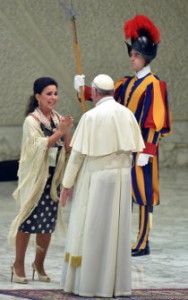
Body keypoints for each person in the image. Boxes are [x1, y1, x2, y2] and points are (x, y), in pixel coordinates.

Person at [74, 15, 172, 257]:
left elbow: (155, 121)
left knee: (144, 195)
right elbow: (105, 97)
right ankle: (122, 239)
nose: (132, 58)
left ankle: (143, 240)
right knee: (124, 193)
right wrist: (83, 88)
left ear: (146, 57)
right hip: (123, 148)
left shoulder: (154, 85)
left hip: (142, 150)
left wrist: (148, 151)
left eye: (136, 55)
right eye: (132, 54)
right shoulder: (126, 83)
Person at [59, 74, 144, 297]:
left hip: (96, 178)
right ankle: (115, 286)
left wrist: (67, 184)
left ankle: (88, 285)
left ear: (95, 93)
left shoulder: (91, 116)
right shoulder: (127, 114)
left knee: (92, 230)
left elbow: (77, 155)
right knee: (115, 231)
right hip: (122, 178)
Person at [8, 77, 73, 284]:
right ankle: (18, 264)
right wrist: (60, 133)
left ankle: (39, 263)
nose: (53, 97)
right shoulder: (32, 121)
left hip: (53, 180)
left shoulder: (57, 119)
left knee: (46, 224)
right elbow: (38, 146)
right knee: (27, 221)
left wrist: (68, 132)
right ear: (38, 97)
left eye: (55, 93)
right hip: (35, 179)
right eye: (48, 93)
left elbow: (68, 148)